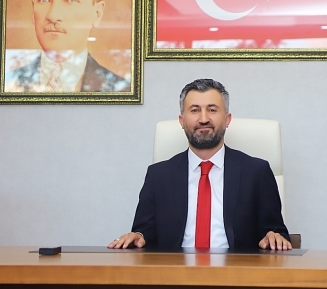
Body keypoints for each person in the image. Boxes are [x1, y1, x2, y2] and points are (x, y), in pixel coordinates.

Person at [108, 79, 291, 250]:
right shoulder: (159, 176)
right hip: (175, 271)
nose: (203, 119)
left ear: (227, 119)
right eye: (195, 110)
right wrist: (139, 236)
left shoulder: (256, 172)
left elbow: (275, 231)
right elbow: (144, 232)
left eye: (212, 110)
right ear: (182, 121)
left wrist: (273, 236)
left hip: (236, 271)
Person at [5, 0, 129, 93]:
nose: (53, 15)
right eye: (44, 0)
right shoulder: (6, 86)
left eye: (71, 0)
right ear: (33, 9)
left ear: (97, 13)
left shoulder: (122, 91)